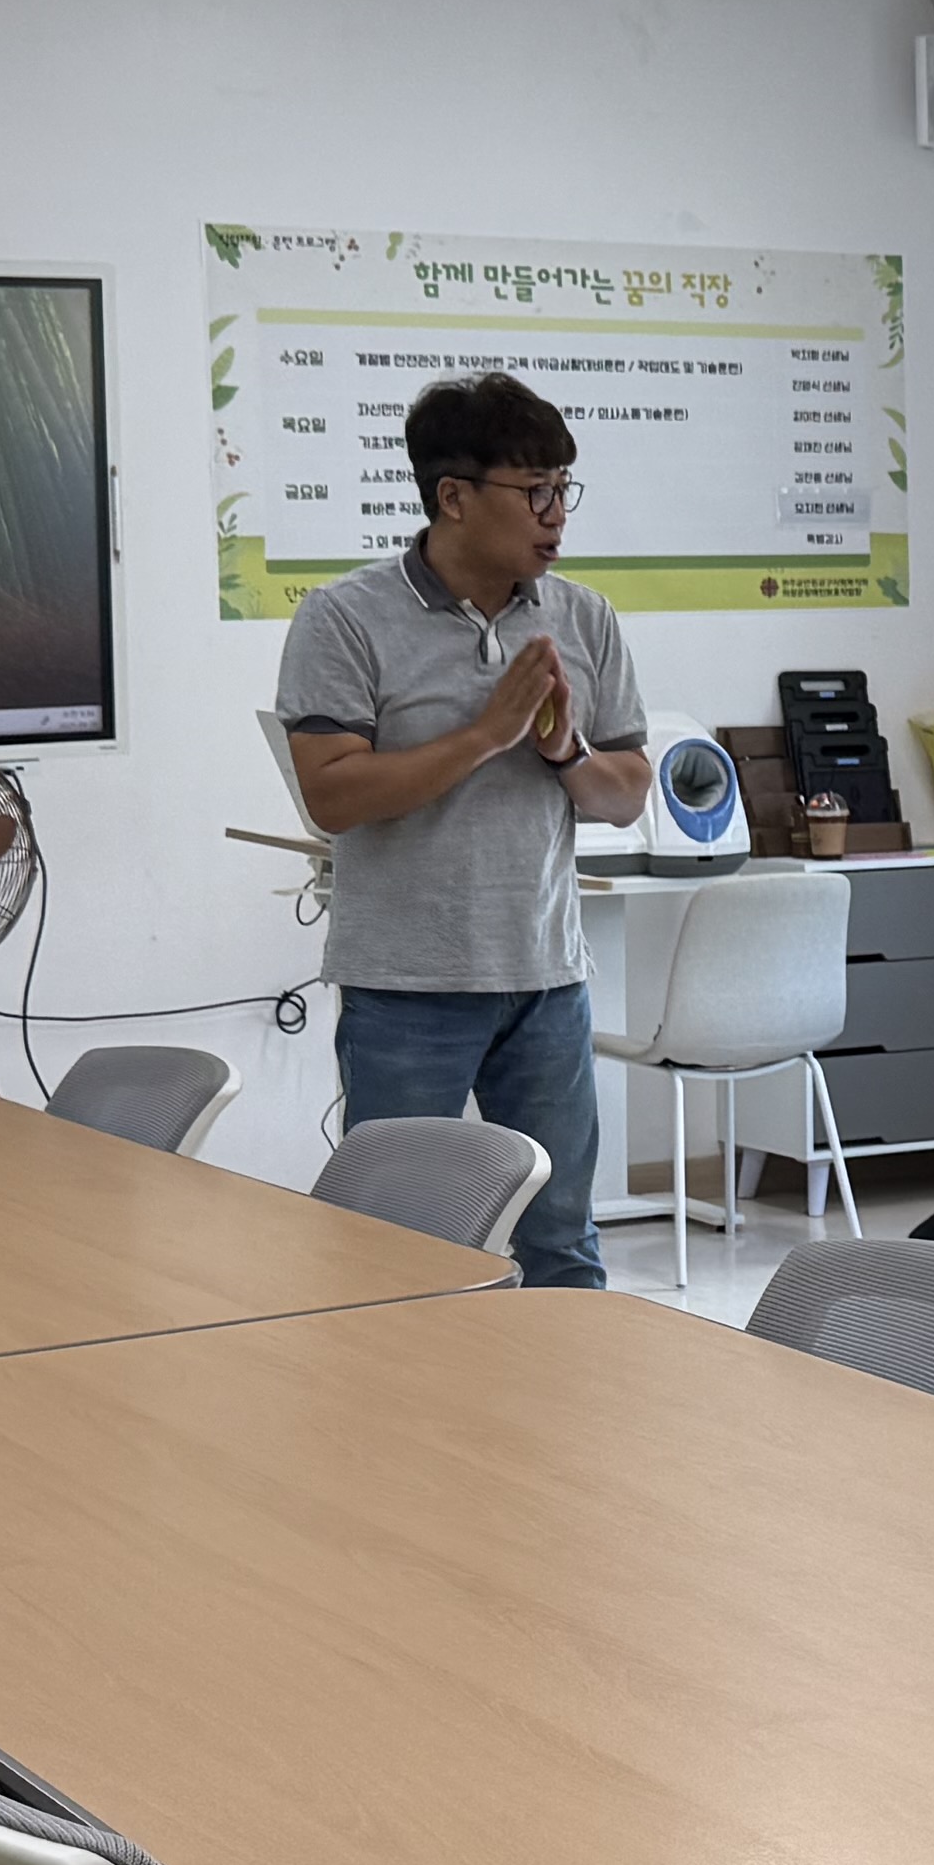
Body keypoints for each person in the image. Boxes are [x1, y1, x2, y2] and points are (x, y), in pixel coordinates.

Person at [274, 371, 654, 1289]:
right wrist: (488, 734)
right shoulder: (344, 617)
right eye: (534, 491)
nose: (556, 513)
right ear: (452, 496)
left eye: (564, 488)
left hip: (547, 983)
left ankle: (567, 1428)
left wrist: (564, 753)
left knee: (563, 1239)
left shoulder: (583, 617)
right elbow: (332, 795)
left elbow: (627, 793)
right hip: (406, 989)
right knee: (396, 1248)